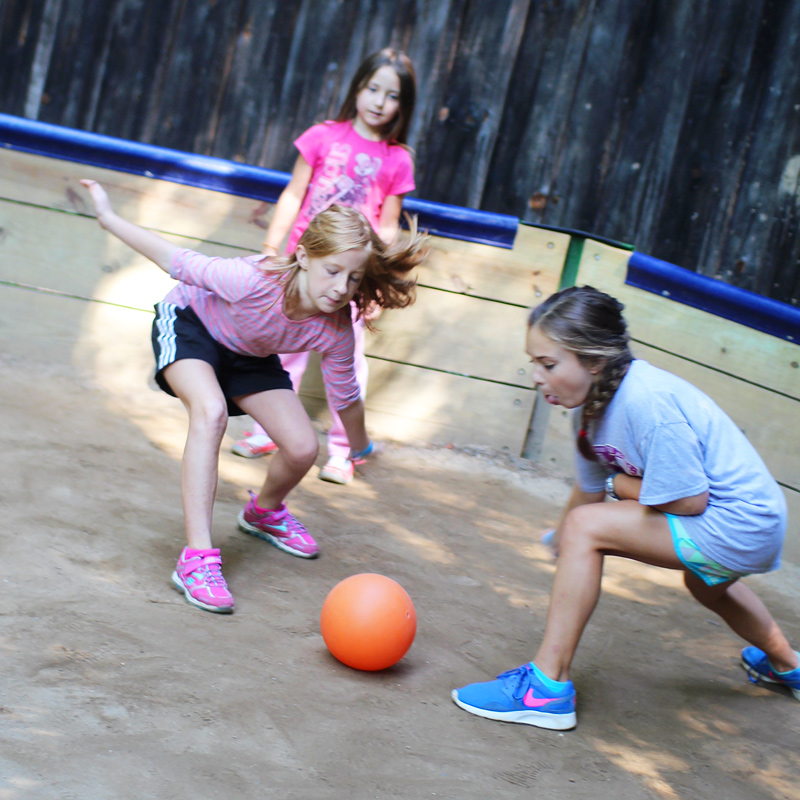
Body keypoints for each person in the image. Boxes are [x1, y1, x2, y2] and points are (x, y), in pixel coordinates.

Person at [452, 285, 799, 730]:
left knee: (586, 527)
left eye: (549, 364)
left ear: (595, 361)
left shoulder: (644, 400)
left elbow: (690, 499)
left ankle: (544, 689)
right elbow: (587, 491)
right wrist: (563, 540)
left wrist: (617, 488)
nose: (536, 376)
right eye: (534, 361)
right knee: (704, 586)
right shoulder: (588, 414)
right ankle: (789, 665)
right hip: (740, 522)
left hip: (741, 520)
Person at [80, 179, 427, 614]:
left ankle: (263, 512)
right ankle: (197, 560)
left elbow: (346, 395)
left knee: (303, 447)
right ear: (303, 255)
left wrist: (359, 444)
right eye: (332, 271)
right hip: (192, 326)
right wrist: (109, 217)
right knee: (210, 412)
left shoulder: (335, 326)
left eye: (354, 277)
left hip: (248, 353)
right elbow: (176, 261)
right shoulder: (252, 280)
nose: (341, 288)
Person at [233, 47, 417, 486]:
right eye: (372, 88)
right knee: (285, 350)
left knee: (347, 364)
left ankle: (343, 449)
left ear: (402, 106)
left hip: (351, 282)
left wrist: (374, 285)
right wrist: (271, 247)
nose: (378, 101)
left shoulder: (397, 160)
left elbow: (388, 228)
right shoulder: (321, 136)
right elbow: (294, 194)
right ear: (357, 88)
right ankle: (268, 429)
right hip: (303, 271)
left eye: (391, 95)